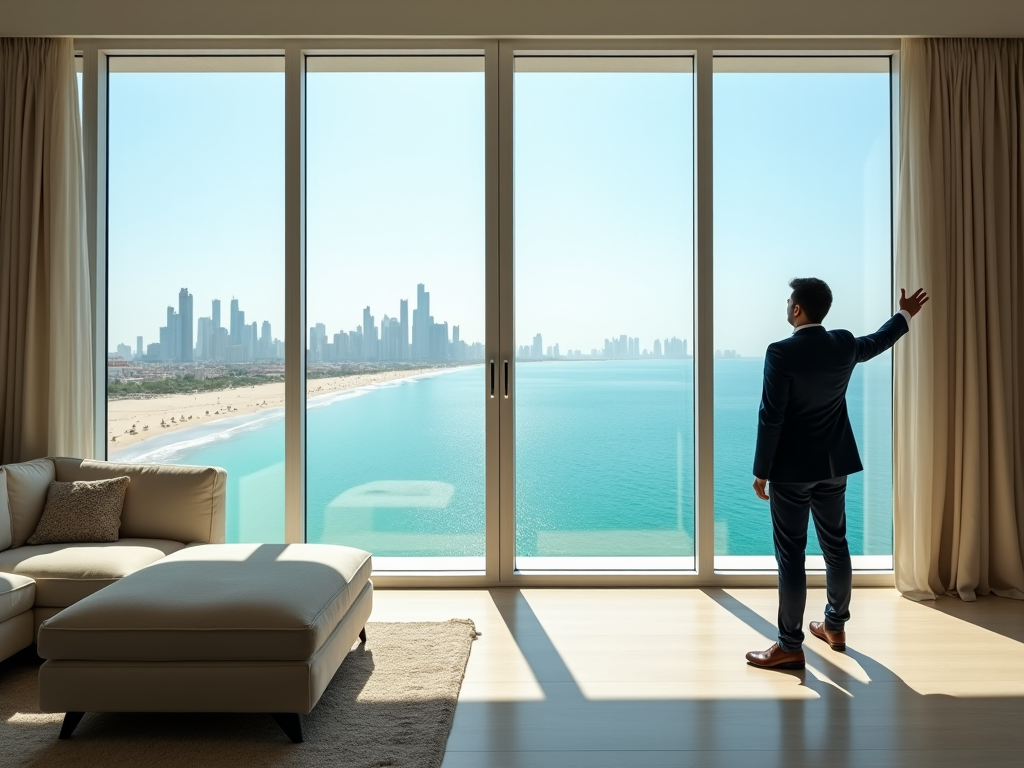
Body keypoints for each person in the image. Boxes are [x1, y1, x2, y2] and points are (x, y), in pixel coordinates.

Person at [745, 278, 929, 670]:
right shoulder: (843, 343)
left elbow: (771, 416)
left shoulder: (780, 352)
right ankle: (835, 626)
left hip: (791, 472)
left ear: (796, 309)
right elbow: (877, 341)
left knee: (791, 556)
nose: (788, 305)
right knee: (836, 546)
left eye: (789, 301)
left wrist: (761, 471)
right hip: (833, 465)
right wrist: (905, 313)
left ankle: (790, 644)